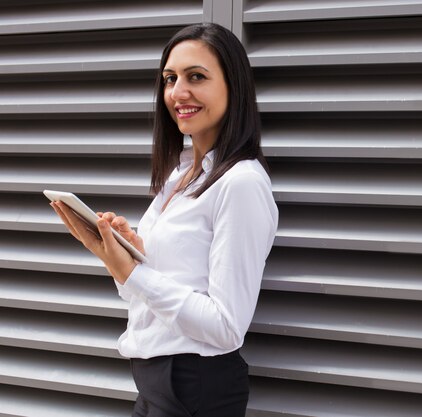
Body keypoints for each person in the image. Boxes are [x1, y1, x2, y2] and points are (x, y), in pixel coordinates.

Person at [50, 23, 278, 417]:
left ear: (234, 86)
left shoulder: (241, 183)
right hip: (156, 381)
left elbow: (226, 327)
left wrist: (136, 274)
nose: (178, 92)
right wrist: (124, 257)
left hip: (196, 387)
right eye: (170, 79)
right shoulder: (181, 175)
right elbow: (147, 295)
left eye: (196, 77)